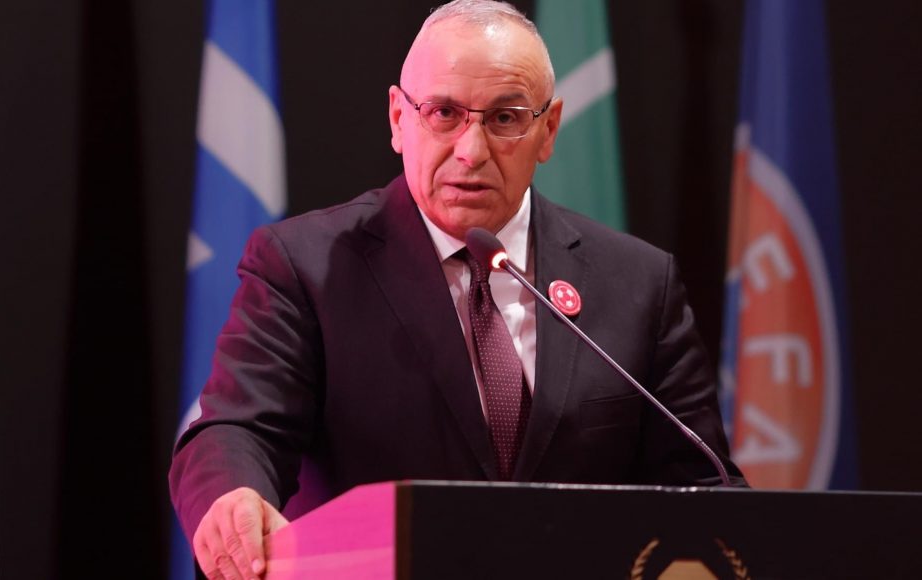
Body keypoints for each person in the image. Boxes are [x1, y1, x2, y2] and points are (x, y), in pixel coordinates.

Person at [170, 1, 745, 578]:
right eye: (444, 113)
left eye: (505, 118)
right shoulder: (308, 266)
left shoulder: (638, 283)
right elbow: (238, 427)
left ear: (548, 129)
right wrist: (233, 497)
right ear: (399, 118)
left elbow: (707, 487)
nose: (471, 151)